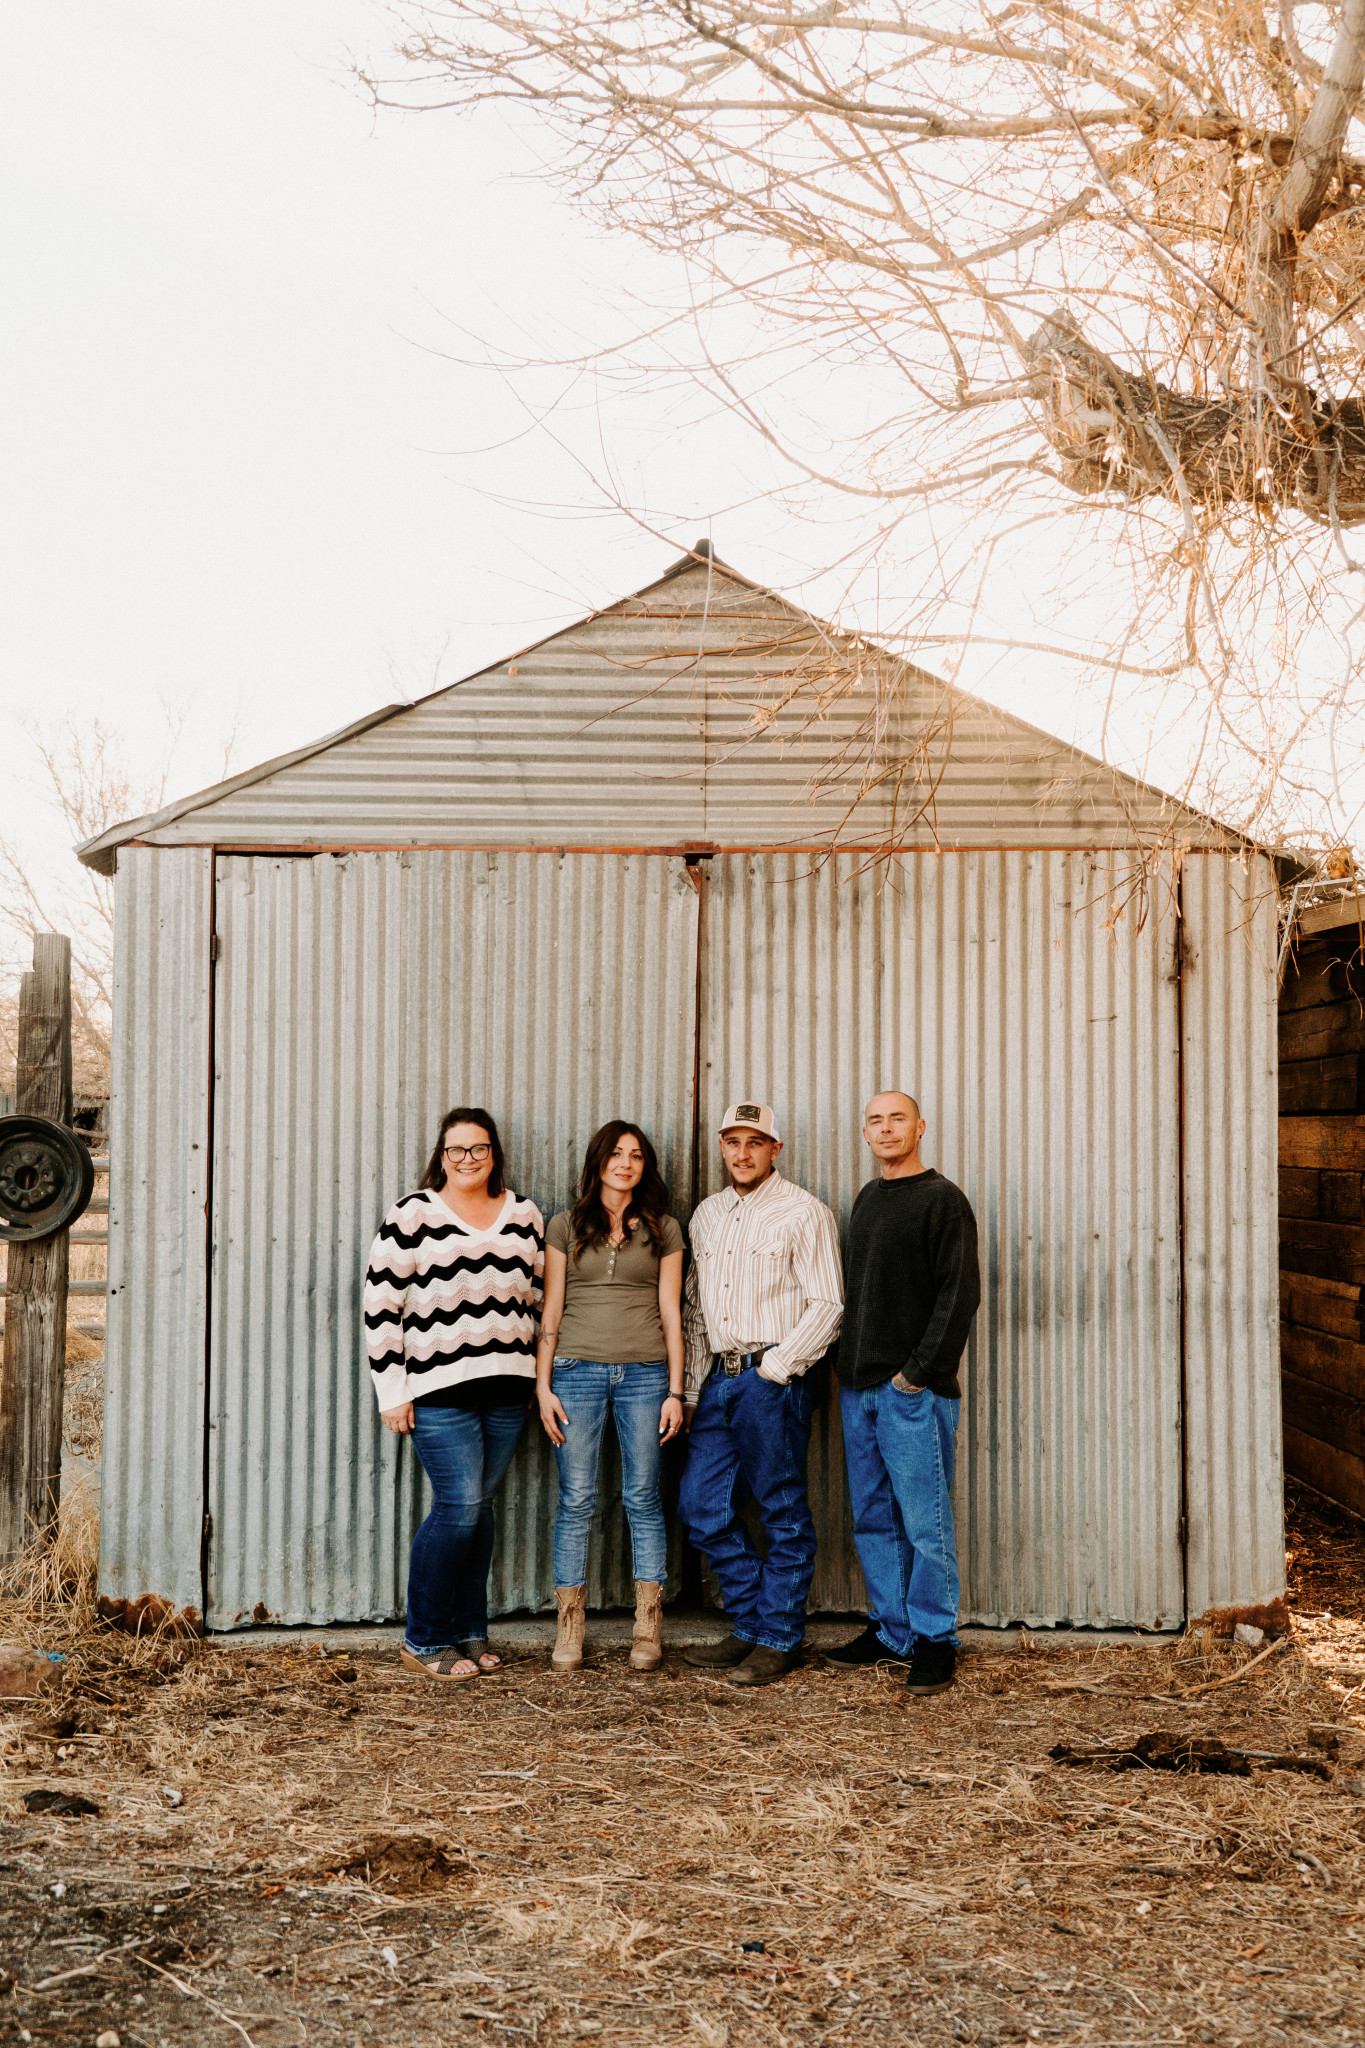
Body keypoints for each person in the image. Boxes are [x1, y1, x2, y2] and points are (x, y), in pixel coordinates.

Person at [364, 1107, 544, 1682]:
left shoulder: (524, 1214)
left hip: (509, 1388)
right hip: (438, 1390)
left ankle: (469, 1630)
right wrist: (392, 1391)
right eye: (456, 1149)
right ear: (441, 1156)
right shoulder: (412, 1213)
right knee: (460, 1507)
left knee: (479, 1510)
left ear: (494, 1153)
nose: (468, 1159)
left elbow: (540, 1301)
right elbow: (380, 1307)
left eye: (479, 1148)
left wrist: (538, 1379)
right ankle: (424, 1638)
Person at [678, 1102, 843, 1688]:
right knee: (701, 1507)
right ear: (722, 1147)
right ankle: (751, 1622)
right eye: (733, 1142)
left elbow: (828, 1304)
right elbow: (696, 1311)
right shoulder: (707, 1214)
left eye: (755, 1142)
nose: (742, 1153)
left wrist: (773, 1370)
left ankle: (778, 1636)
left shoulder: (804, 1211)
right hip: (718, 1381)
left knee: (781, 1507)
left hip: (774, 1378)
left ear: (776, 1149)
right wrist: (691, 1389)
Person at [827, 1091, 980, 1696]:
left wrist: (915, 1374)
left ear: (920, 1127)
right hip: (859, 1388)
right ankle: (893, 1630)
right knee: (872, 1518)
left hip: (911, 1393)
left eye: (897, 1118)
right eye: (875, 1120)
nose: (886, 1128)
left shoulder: (943, 1200)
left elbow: (959, 1295)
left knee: (924, 1522)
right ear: (865, 1133)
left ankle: (935, 1639)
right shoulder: (868, 1198)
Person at [536, 1121, 686, 1674]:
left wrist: (676, 1390)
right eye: (616, 1154)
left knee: (643, 1497)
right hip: (575, 1372)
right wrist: (542, 1386)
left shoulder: (664, 1229)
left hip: (646, 1375)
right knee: (577, 1499)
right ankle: (569, 1628)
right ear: (598, 1162)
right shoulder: (565, 1225)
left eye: (637, 1155)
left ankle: (647, 1627)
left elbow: (672, 1311)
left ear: (646, 1166)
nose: (626, 1163)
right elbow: (551, 1308)